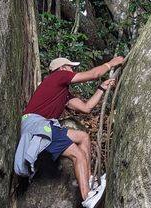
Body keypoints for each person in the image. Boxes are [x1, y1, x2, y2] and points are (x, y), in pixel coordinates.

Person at [14, 55, 125, 208]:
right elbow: (94, 74)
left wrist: (101, 88)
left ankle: (89, 181)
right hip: (37, 125)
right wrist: (111, 64)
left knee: (83, 137)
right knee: (78, 154)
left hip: (44, 124)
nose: (73, 70)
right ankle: (87, 197)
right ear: (62, 68)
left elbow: (86, 108)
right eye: (71, 67)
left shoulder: (62, 92)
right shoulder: (58, 76)